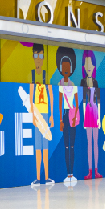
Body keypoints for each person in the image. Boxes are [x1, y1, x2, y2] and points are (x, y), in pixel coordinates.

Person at [30, 44, 54, 186]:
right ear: (33, 57)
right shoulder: (32, 75)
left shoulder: (46, 76)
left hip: (45, 113)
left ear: (43, 57)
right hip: (38, 114)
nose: (38, 59)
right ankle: (38, 177)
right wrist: (33, 115)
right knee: (38, 146)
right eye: (36, 56)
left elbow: (50, 95)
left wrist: (51, 114)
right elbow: (32, 96)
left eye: (41, 56)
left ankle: (47, 176)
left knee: (45, 146)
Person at [56, 47, 78, 183]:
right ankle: (67, 173)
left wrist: (75, 115)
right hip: (64, 115)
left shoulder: (73, 85)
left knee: (72, 145)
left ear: (70, 69)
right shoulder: (59, 85)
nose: (65, 69)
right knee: (66, 145)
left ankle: (72, 173)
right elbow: (59, 102)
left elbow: (76, 102)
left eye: (68, 67)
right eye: (63, 67)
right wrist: (60, 119)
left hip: (72, 115)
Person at [81, 50, 102, 180]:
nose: (89, 67)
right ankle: (90, 170)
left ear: (94, 67)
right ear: (84, 66)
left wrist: (99, 117)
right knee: (89, 142)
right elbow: (83, 102)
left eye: (91, 64)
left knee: (96, 142)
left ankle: (96, 170)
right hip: (88, 114)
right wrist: (84, 117)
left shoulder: (96, 82)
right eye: (86, 64)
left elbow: (98, 102)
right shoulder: (83, 82)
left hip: (95, 113)